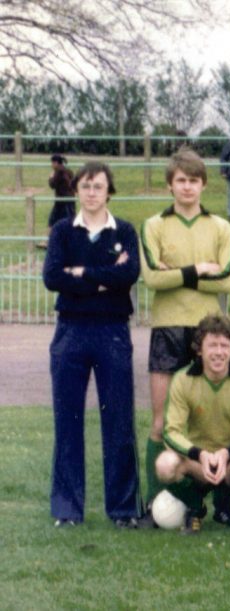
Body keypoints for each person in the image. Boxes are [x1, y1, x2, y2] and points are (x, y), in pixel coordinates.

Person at [138, 149, 230, 524]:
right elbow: (152, 279)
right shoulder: (154, 226)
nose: (187, 187)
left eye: (194, 180)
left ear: (204, 184)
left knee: (214, 422)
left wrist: (174, 271)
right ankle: (156, 500)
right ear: (170, 184)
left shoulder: (221, 228)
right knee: (162, 422)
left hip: (208, 329)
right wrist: (198, 269)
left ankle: (220, 502)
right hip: (167, 329)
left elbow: (227, 279)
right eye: (180, 180)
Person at [43, 161, 142, 529]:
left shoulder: (126, 231)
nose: (91, 192)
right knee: (67, 421)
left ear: (109, 192)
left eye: (98, 186)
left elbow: (129, 274)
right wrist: (103, 279)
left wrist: (81, 274)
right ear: (76, 191)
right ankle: (67, 509)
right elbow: (53, 277)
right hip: (70, 331)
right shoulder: (63, 232)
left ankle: (123, 509)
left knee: (118, 419)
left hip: (112, 331)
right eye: (85, 186)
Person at [157, 315, 230, 533]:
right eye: (212, 345)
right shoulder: (183, 378)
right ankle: (195, 509)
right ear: (199, 349)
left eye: (225, 346)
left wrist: (228, 453)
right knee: (165, 464)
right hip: (200, 463)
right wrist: (200, 454)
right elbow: (171, 432)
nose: (219, 352)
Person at [47, 154, 75, 235]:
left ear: (56, 163)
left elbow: (52, 185)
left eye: (52, 163)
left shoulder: (58, 171)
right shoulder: (68, 171)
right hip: (70, 199)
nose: (51, 165)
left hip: (61, 200)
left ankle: (47, 240)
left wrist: (50, 177)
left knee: (52, 220)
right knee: (71, 219)